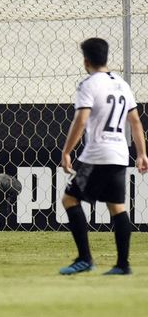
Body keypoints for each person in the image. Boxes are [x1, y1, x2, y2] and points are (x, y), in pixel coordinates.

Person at [59, 37, 148, 275]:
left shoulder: (88, 85)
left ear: (85, 60)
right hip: (119, 154)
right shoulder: (122, 84)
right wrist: (141, 153)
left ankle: (85, 259)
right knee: (117, 207)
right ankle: (122, 265)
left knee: (69, 200)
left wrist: (67, 151)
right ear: (106, 57)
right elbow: (135, 121)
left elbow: (81, 119)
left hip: (97, 155)